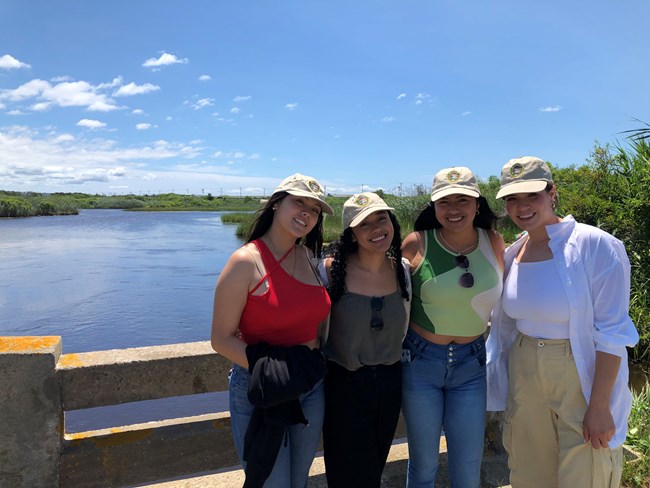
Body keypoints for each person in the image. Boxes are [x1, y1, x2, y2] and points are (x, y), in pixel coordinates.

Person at [486, 156, 639, 488]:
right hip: (524, 369)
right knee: (529, 469)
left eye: (532, 196)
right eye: (512, 198)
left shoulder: (596, 246)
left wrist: (599, 406)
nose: (522, 206)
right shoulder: (513, 253)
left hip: (578, 369)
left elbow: (612, 334)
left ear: (552, 192)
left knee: (586, 470)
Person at [210, 173, 334, 487]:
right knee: (270, 482)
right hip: (260, 389)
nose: (306, 213)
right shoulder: (245, 262)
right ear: (277, 204)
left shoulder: (307, 256)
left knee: (299, 481)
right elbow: (221, 339)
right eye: (299, 203)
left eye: (315, 209)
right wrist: (273, 371)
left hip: (309, 387)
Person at [400, 166, 505, 488]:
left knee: (468, 462)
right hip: (420, 363)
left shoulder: (495, 241)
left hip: (472, 364)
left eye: (463, 200)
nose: (454, 209)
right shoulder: (416, 243)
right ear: (434, 207)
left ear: (477, 204)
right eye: (445, 202)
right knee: (424, 463)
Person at [318, 192, 411, 488]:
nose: (375, 229)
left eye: (381, 218)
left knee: (374, 467)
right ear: (352, 234)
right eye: (364, 224)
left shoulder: (403, 271)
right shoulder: (329, 271)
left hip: (390, 382)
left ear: (392, 222)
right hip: (342, 384)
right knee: (343, 471)